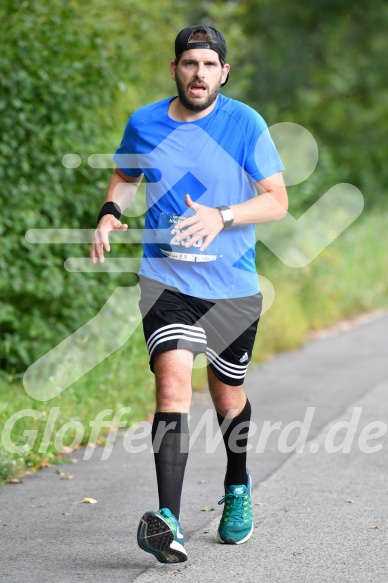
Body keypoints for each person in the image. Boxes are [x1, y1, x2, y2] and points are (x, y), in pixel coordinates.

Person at [90, 24, 288, 564]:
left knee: (227, 397)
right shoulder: (146, 122)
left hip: (232, 288)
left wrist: (223, 216)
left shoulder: (244, 123)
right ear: (174, 68)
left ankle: (238, 487)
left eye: (208, 65)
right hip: (166, 281)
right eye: (188, 63)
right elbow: (125, 174)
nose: (198, 74)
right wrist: (111, 212)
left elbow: (276, 201)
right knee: (173, 384)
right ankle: (169, 522)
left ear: (223, 72)